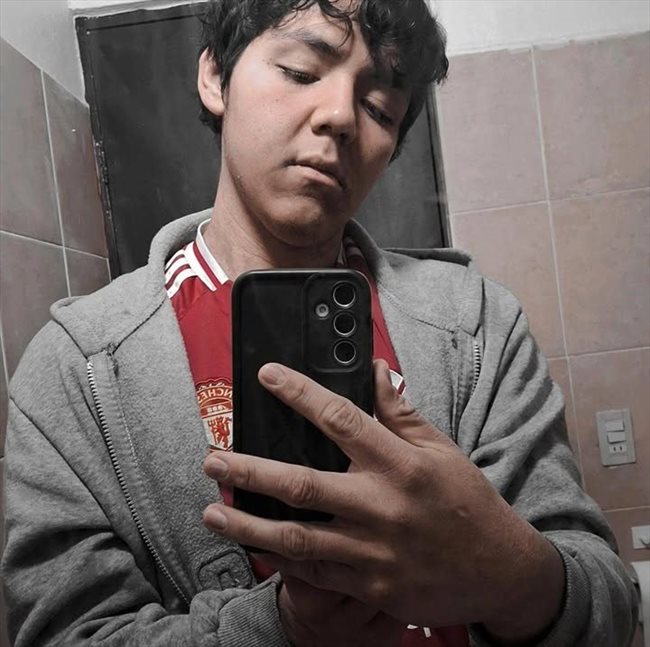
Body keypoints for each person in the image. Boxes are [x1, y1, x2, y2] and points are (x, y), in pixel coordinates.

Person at [1, 0, 638, 645]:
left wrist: (508, 571)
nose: (339, 117)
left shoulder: (478, 326)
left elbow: (610, 607)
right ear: (216, 77)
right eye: (302, 72)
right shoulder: (77, 368)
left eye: (379, 108)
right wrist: (282, 629)